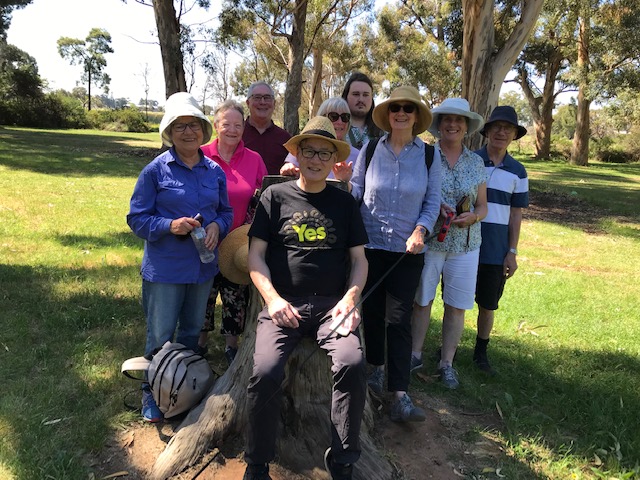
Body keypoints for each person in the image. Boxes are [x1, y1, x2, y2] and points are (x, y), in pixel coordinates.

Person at [243, 116, 369, 480]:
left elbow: (360, 261)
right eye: (309, 151)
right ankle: (257, 462)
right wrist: (273, 299)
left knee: (352, 363)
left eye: (324, 153)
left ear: (334, 159)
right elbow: (255, 257)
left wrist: (350, 299)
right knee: (265, 372)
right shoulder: (274, 197)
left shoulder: (344, 203)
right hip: (283, 305)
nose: (315, 159)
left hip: (333, 308)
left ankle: (343, 459)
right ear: (297, 154)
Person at [127, 92, 233, 422]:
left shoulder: (214, 171)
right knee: (160, 337)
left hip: (201, 269)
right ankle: (151, 392)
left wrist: (218, 225)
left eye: (193, 125)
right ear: (170, 133)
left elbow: (226, 212)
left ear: (203, 129)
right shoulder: (155, 172)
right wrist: (168, 225)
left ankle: (182, 388)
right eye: (179, 126)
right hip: (165, 269)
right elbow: (136, 218)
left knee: (190, 333)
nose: (188, 132)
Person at [350, 86, 441, 422]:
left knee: (399, 320)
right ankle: (375, 371)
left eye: (408, 108)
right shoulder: (371, 149)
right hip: (370, 247)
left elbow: (432, 202)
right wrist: (345, 185)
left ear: (416, 117)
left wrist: (421, 231)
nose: (401, 113)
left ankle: (400, 394)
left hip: (408, 251)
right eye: (395, 108)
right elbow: (357, 191)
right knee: (372, 314)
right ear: (387, 115)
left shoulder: (430, 156)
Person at [410, 98, 488, 389]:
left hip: (465, 245)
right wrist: (433, 207)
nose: (452, 125)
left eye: (459, 120)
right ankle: (415, 355)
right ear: (439, 125)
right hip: (431, 241)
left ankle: (447, 363)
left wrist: (473, 217)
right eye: (447, 119)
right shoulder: (425, 156)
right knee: (422, 300)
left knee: (456, 306)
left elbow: (483, 206)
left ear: (466, 127)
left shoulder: (476, 162)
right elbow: (414, 194)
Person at [199, 100, 268, 364]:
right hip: (202, 239)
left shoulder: (254, 160)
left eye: (238, 125)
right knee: (203, 293)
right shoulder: (200, 155)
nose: (232, 130)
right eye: (226, 124)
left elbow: (263, 196)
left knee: (235, 295)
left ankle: (231, 346)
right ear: (216, 126)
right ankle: (200, 343)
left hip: (237, 241)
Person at [473, 105, 529, 375]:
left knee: (488, 304)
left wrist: (512, 251)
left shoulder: (518, 172)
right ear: (487, 131)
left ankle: (480, 352)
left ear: (514, 135)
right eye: (496, 127)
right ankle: (448, 349)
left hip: (496, 252)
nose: (501, 132)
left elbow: (516, 215)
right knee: (455, 301)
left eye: (508, 128)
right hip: (466, 246)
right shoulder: (470, 160)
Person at [279, 96, 359, 181]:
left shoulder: (357, 155)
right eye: (333, 116)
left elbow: (359, 190)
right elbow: (288, 170)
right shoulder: (303, 147)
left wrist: (344, 182)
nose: (340, 122)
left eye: (344, 117)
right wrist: (288, 169)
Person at [242, 81, 291, 175]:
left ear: (274, 103)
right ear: (248, 103)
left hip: (277, 189)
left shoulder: (285, 139)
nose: (262, 102)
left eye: (267, 98)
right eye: (257, 98)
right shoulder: (237, 134)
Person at [341, 72, 382, 149]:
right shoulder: (335, 128)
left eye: (366, 95)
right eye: (356, 94)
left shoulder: (383, 133)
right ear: (346, 96)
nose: (361, 100)